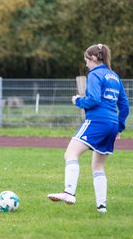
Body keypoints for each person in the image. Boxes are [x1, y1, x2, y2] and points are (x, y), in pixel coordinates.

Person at [47, 43, 130, 213]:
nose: (86, 65)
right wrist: (119, 128)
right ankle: (101, 207)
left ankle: (69, 192)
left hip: (97, 121)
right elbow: (125, 106)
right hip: (112, 124)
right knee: (98, 166)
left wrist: (77, 100)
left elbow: (93, 99)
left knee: (71, 153)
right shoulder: (115, 76)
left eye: (86, 61)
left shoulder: (95, 74)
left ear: (93, 58)